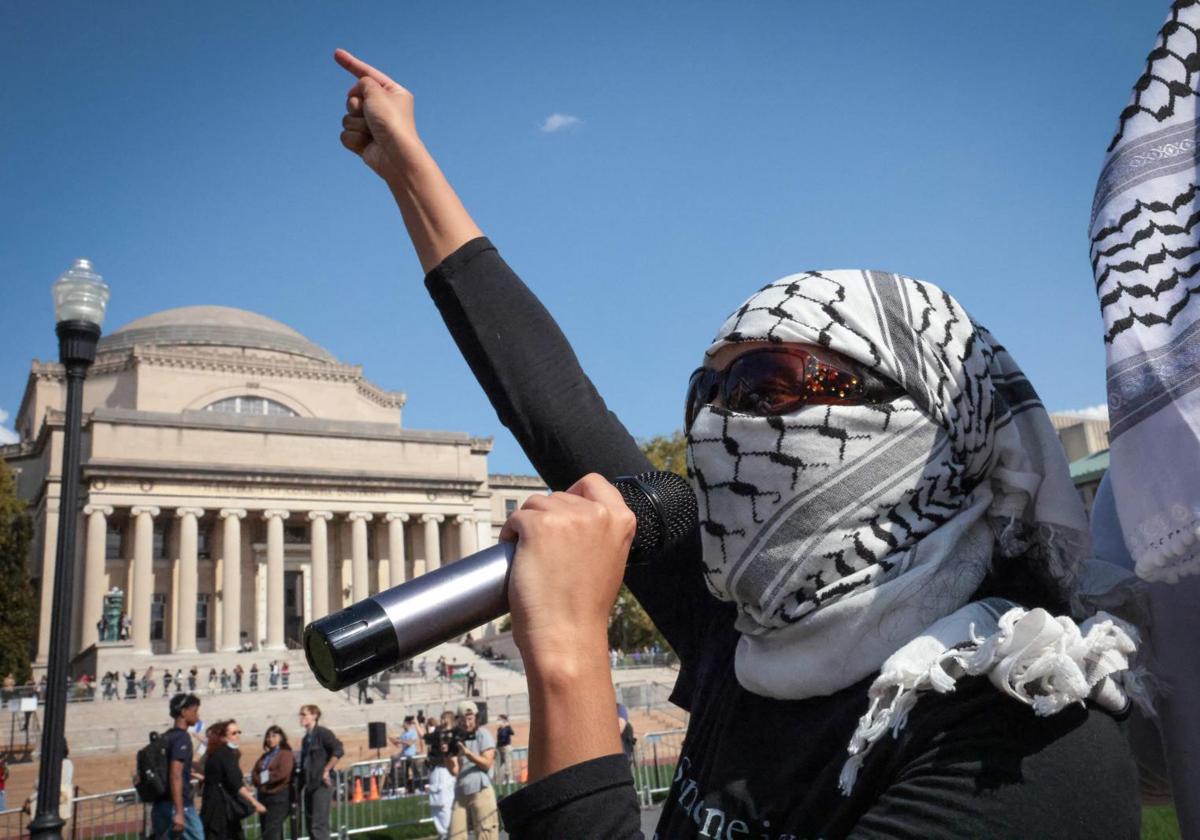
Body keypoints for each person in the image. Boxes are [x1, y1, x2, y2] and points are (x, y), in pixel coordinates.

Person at [333, 49, 1146, 839]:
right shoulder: (752, 628)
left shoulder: (1026, 747)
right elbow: (552, 405)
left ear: (933, 426)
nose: (719, 423)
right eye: (707, 391)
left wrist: (570, 659)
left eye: (766, 384)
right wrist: (410, 167)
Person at [150, 694, 203, 839]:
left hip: (161, 805)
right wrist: (179, 812)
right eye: (195, 711)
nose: (197, 716)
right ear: (184, 712)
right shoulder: (182, 738)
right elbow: (175, 774)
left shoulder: (166, 736)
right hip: (179, 806)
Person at [200, 720, 264, 839]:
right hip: (221, 810)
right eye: (234, 733)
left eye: (238, 732)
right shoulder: (225, 754)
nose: (238, 735)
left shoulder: (216, 754)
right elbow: (236, 783)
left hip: (213, 807)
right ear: (224, 737)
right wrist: (255, 802)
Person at [447, 700, 497, 840]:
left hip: (481, 789)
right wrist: (447, 755)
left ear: (476, 718)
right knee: (455, 834)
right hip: (461, 790)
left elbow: (487, 763)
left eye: (469, 719)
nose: (467, 723)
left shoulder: (483, 734)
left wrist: (468, 753)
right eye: (462, 720)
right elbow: (455, 771)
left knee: (486, 834)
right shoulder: (456, 739)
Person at [298, 704, 343, 840]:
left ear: (314, 716)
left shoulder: (323, 733)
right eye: (300, 715)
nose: (301, 717)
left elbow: (338, 750)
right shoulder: (306, 739)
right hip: (310, 784)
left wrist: (326, 770)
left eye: (304, 714)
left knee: (318, 824)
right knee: (310, 823)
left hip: (322, 784)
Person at [252, 725, 295, 840]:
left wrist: (262, 779)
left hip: (279, 797)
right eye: (268, 736)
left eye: (274, 736)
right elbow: (254, 774)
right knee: (267, 830)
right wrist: (262, 779)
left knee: (271, 832)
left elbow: (281, 773)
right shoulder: (265, 756)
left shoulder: (285, 754)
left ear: (280, 737)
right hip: (264, 798)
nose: (270, 739)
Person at [426, 722, 459, 840]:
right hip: (436, 770)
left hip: (444, 771)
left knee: (444, 805)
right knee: (436, 806)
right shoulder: (436, 739)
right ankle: (443, 833)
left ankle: (448, 832)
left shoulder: (449, 739)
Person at [390, 714, 422, 792]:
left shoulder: (413, 732)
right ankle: (408, 788)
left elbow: (410, 743)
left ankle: (418, 787)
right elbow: (398, 743)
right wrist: (392, 740)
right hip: (404, 757)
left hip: (412, 756)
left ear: (408, 723)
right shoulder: (403, 734)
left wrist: (400, 741)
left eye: (404, 723)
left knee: (415, 772)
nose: (403, 725)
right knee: (405, 774)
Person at [493, 714, 514, 786]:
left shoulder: (507, 728)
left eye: (499, 720)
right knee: (500, 764)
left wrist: (508, 725)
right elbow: (499, 739)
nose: (498, 721)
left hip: (506, 747)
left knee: (508, 763)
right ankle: (501, 779)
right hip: (500, 748)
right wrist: (496, 747)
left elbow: (512, 733)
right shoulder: (499, 729)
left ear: (503, 721)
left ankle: (509, 778)